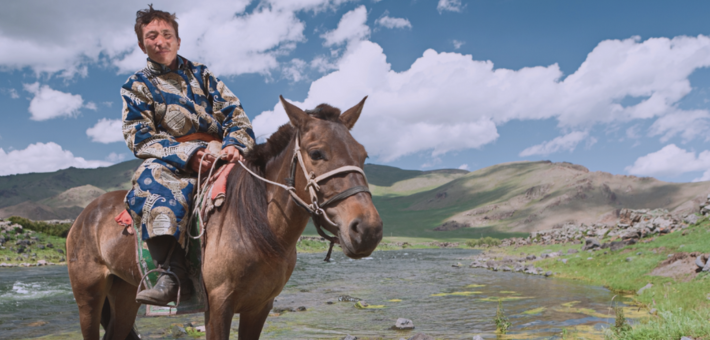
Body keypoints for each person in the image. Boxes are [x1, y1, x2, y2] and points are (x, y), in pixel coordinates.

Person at [121, 5, 255, 306]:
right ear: (142, 44)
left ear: (178, 41)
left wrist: (234, 143)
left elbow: (235, 113)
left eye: (167, 35)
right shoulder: (135, 86)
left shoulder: (203, 75)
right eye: (152, 36)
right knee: (150, 181)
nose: (160, 41)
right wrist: (188, 154)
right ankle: (172, 275)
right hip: (169, 158)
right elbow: (138, 135)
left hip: (219, 150)